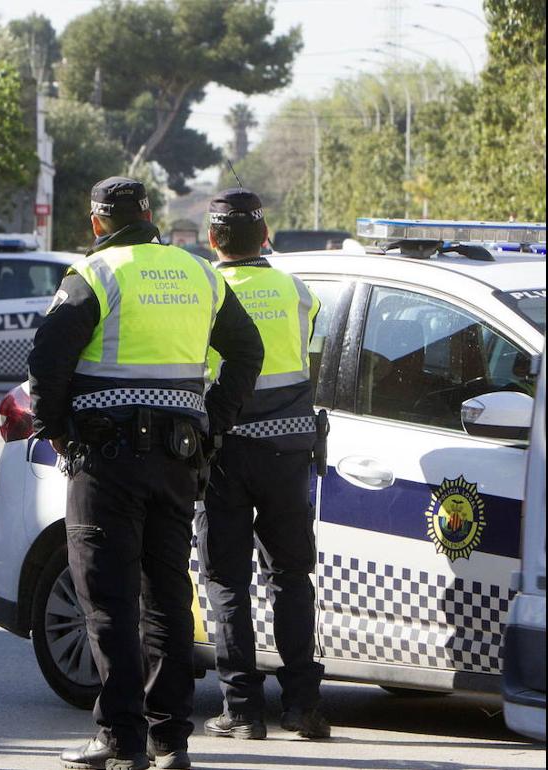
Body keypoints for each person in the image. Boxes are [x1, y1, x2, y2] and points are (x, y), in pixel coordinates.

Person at [28, 177, 264, 770]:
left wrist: (56, 427)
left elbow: (45, 362)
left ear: (97, 223)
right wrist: (212, 422)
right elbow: (247, 351)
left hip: (106, 462)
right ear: (150, 215)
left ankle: (121, 740)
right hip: (179, 458)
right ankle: (170, 741)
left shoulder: (96, 274)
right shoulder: (199, 273)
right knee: (166, 598)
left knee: (108, 600)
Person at [196, 188, 330, 741]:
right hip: (289, 453)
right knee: (291, 578)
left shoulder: (206, 289)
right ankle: (303, 706)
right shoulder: (298, 291)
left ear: (212, 239)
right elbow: (309, 364)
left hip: (226, 453)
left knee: (226, 579)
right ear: (266, 235)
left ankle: (243, 711)